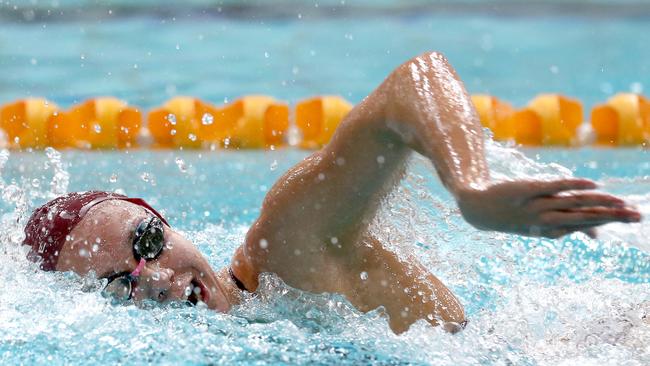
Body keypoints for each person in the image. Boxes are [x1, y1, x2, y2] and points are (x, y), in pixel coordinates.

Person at [21, 52, 641, 334]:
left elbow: (414, 82)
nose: (153, 278)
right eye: (118, 284)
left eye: (147, 243)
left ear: (168, 223)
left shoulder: (284, 247)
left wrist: (472, 187)